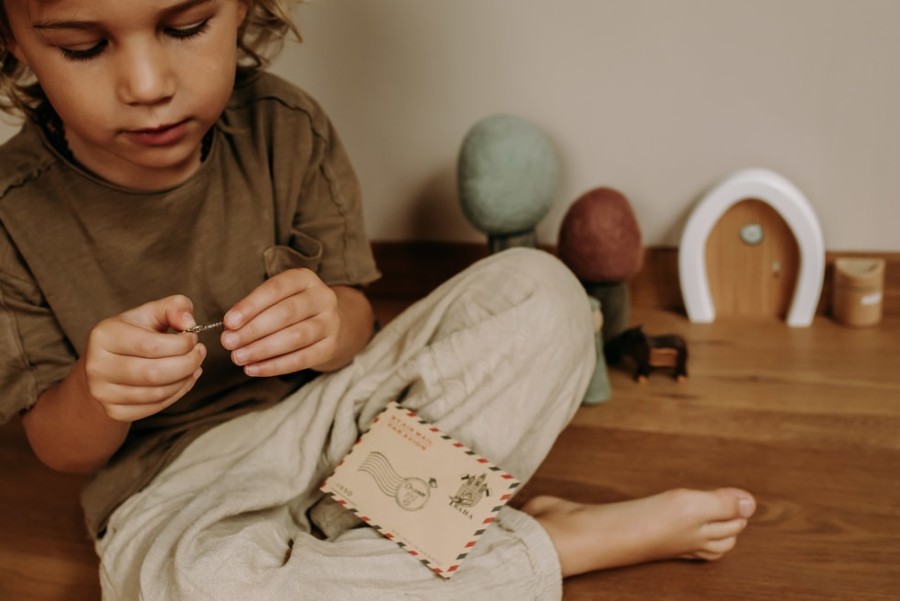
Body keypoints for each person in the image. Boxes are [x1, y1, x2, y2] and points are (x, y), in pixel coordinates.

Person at [0, 0, 757, 599]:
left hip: (345, 429)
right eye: (84, 46)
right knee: (198, 588)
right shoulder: (12, 212)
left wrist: (331, 327)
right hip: (175, 493)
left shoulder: (284, 129)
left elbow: (359, 326)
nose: (147, 84)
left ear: (242, 9)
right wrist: (102, 393)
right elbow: (59, 450)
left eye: (187, 26)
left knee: (545, 293)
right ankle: (543, 545)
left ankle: (356, 552)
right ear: (14, 43)